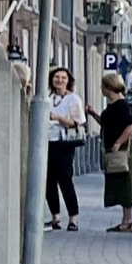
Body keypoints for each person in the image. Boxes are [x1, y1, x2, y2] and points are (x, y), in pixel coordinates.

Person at [98, 71, 132, 233]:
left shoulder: (121, 105)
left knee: (126, 184)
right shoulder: (112, 106)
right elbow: (108, 124)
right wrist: (93, 114)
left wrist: (118, 142)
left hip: (123, 152)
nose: (101, 89)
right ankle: (126, 220)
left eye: (103, 86)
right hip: (117, 149)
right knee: (122, 184)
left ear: (109, 87)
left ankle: (128, 221)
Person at [44, 67, 86, 231]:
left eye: (63, 78)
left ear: (68, 81)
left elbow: (77, 123)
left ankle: (73, 218)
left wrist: (59, 117)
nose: (59, 80)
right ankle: (55, 217)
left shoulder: (73, 99)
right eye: (56, 77)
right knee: (48, 182)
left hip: (64, 143)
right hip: (47, 141)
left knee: (65, 180)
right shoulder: (48, 97)